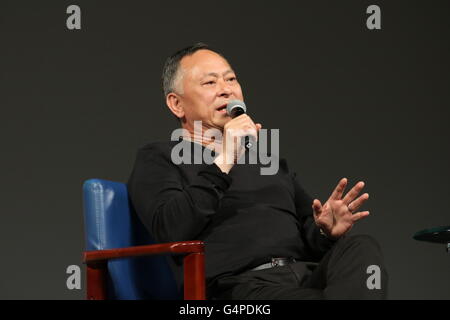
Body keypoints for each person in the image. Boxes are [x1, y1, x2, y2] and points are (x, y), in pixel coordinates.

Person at [127, 43, 388, 299]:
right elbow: (171, 228)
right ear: (176, 104)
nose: (226, 90)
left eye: (231, 79)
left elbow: (310, 230)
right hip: (237, 288)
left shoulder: (267, 162)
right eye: (210, 83)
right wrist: (226, 156)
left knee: (360, 246)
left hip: (304, 277)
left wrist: (324, 231)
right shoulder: (159, 157)